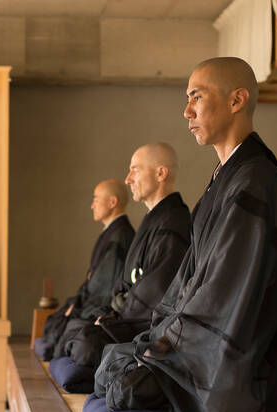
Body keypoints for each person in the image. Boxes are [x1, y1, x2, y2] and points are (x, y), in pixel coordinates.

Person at [94, 57, 277, 412]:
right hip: (198, 339)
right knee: (111, 365)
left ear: (237, 100)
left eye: (196, 97)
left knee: (121, 388)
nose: (187, 111)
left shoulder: (255, 180)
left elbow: (225, 296)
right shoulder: (223, 179)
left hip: (231, 354)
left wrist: (166, 351)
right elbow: (183, 285)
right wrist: (155, 341)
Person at [52, 142, 190, 369]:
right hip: (125, 316)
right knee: (72, 331)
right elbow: (124, 282)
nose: (128, 179)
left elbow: (154, 293)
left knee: (85, 340)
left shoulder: (174, 222)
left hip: (144, 325)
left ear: (160, 173)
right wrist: (108, 314)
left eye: (135, 169)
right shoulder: (153, 219)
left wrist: (112, 320)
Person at [34, 180, 134, 360]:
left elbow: (102, 287)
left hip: (99, 306)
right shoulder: (111, 233)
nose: (92, 205)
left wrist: (77, 306)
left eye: (96, 199)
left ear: (113, 202)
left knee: (66, 327)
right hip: (89, 299)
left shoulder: (120, 236)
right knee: (56, 323)